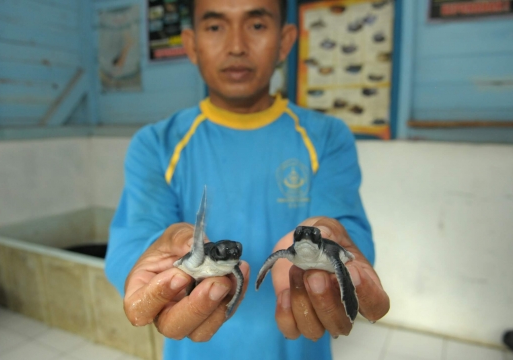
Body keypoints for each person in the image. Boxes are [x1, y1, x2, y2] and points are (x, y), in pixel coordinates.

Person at [105, 0, 390, 359]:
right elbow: (134, 240)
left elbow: (350, 234)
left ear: (285, 41)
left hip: (297, 348)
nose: (236, 45)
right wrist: (152, 266)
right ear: (191, 44)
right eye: (215, 26)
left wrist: (329, 235)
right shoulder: (156, 144)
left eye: (256, 25)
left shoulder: (327, 136)